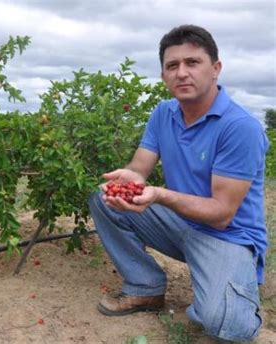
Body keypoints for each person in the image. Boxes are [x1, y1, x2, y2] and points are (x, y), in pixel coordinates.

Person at [88, 24, 269, 342]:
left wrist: (158, 194)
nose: (182, 73)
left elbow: (222, 213)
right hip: (181, 224)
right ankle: (145, 288)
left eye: (193, 62)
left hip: (228, 238)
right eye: (172, 65)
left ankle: (234, 300)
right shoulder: (163, 113)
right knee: (103, 201)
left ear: (216, 69)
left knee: (228, 327)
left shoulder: (240, 127)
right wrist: (130, 180)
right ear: (163, 76)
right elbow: (139, 168)